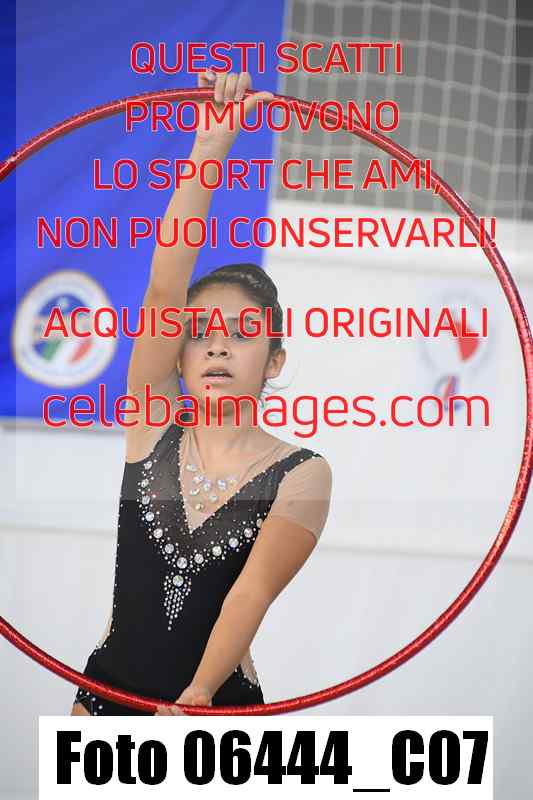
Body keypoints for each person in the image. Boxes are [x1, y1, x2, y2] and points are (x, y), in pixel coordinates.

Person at [71, 69, 332, 716]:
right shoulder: (151, 422)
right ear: (179, 356)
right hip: (105, 696)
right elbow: (164, 288)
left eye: (241, 335)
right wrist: (210, 149)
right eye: (201, 335)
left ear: (274, 361)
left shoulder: (302, 472)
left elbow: (250, 594)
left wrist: (199, 693)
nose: (217, 347)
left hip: (216, 705)